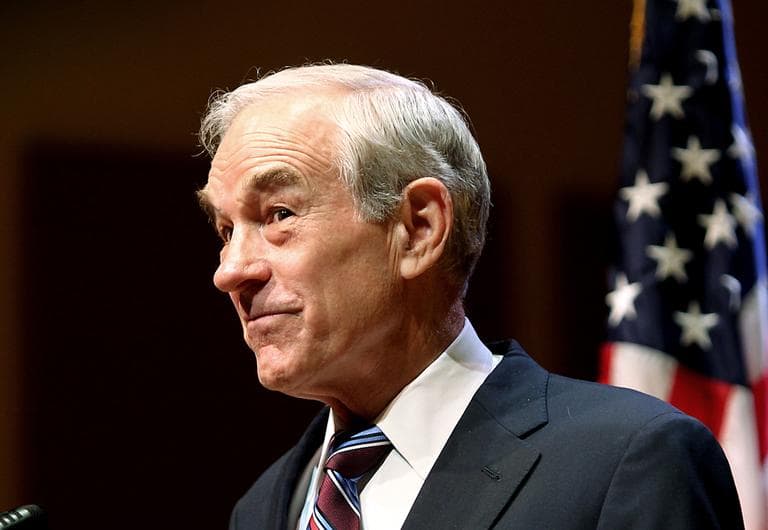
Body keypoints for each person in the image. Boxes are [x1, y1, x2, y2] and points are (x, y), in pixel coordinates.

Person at [196, 63, 743, 529]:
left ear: (418, 228)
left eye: (280, 215)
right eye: (226, 230)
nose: (231, 271)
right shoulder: (265, 507)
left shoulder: (628, 462)